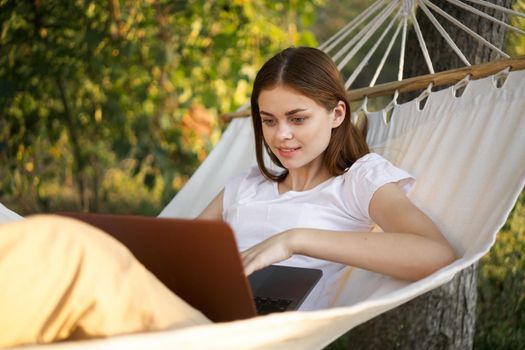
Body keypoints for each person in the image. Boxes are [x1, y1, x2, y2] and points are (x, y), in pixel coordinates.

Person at [198, 46, 456, 310]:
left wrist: (294, 240)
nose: (280, 135)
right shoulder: (246, 184)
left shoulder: (358, 180)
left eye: (297, 119)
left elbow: (435, 255)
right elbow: (182, 253)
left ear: (337, 114)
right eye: (269, 121)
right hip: (207, 308)